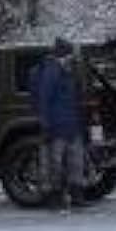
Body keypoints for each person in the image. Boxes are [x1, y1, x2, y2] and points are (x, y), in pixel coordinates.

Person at [30, 36, 86, 209]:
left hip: (71, 125)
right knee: (55, 163)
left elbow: (73, 98)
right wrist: (45, 124)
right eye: (70, 54)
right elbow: (44, 100)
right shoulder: (51, 71)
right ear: (63, 54)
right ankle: (55, 197)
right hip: (56, 126)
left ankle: (75, 194)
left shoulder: (67, 71)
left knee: (75, 161)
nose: (73, 58)